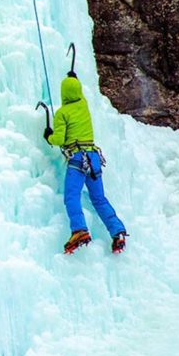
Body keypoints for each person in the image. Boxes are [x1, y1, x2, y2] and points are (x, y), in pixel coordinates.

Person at [43, 74, 128, 254]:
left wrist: (48, 135)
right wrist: (74, 78)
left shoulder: (62, 113)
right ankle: (117, 231)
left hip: (77, 159)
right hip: (94, 157)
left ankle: (79, 230)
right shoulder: (83, 105)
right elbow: (78, 93)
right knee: (99, 199)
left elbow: (58, 139)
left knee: (72, 196)